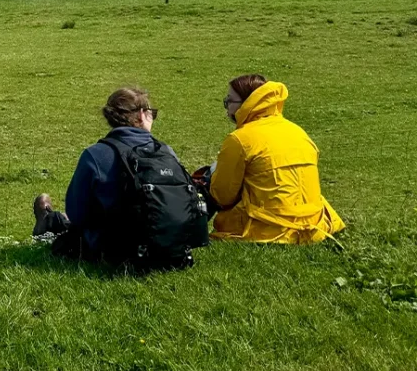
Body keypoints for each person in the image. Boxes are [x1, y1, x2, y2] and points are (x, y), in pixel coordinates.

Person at [54, 88, 206, 269]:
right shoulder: (166, 152)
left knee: (67, 234)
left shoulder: (95, 154)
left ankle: (50, 219)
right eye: (153, 113)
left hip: (116, 251)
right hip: (175, 247)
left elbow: (77, 213)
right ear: (142, 115)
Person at [210, 74, 345, 244]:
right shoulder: (297, 131)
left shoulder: (239, 139)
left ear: (246, 103)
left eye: (229, 101)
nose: (227, 107)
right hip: (314, 224)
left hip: (269, 229)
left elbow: (222, 196)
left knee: (214, 171)